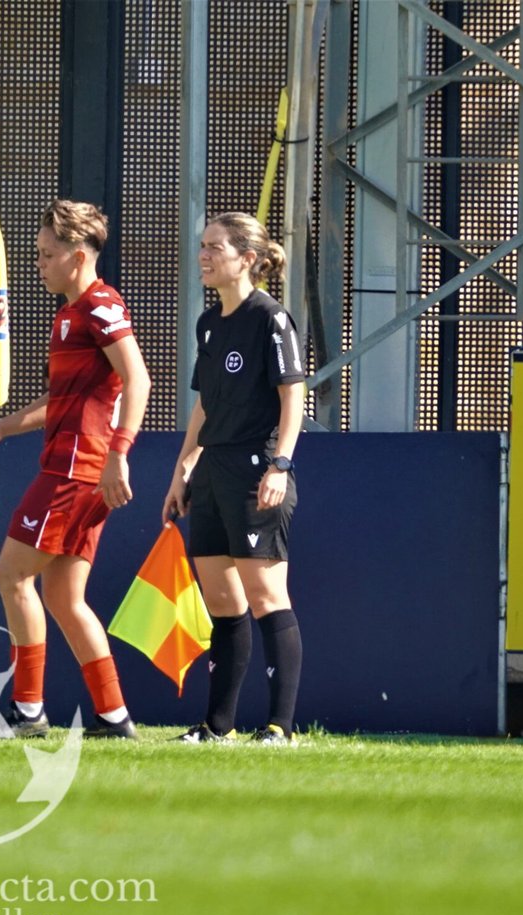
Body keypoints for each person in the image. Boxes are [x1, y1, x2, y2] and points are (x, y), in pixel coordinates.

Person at [0, 199, 150, 740]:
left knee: (11, 575)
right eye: (38, 253)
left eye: (47, 254)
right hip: (79, 469)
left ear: (78, 255)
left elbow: (138, 378)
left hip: (76, 471)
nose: (39, 264)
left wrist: (119, 454)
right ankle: (114, 718)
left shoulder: (100, 305)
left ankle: (28, 711)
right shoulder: (68, 315)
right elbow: (61, 401)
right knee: (64, 598)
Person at [162, 211, 306, 745]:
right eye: (202, 246)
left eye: (214, 248)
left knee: (267, 596)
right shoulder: (209, 323)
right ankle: (216, 726)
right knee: (222, 603)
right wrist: (183, 469)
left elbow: (293, 395)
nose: (203, 256)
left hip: (255, 470)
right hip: (212, 473)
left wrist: (280, 464)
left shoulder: (271, 319)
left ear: (247, 259)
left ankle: (279, 727)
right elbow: (204, 405)